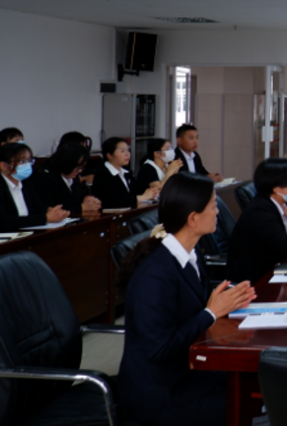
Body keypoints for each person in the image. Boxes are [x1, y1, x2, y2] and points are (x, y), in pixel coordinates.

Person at [116, 173, 256, 426]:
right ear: (193, 218)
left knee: (257, 382)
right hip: (160, 395)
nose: (217, 211)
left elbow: (191, 313)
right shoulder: (155, 273)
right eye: (212, 206)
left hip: (189, 373)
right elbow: (159, 348)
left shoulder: (189, 254)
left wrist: (222, 304)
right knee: (250, 405)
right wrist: (210, 313)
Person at [226, 158, 287, 283]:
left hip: (275, 270)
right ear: (276, 188)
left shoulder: (281, 203)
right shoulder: (260, 211)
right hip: (255, 281)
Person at [0, 143, 71, 232]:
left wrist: (52, 212)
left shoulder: (26, 184)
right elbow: (3, 222)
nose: (27, 165)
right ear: (4, 166)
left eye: (29, 160)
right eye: (22, 161)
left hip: (25, 236)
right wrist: (45, 218)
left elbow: (38, 208)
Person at [26, 144, 102, 215]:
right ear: (67, 162)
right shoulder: (45, 179)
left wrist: (91, 201)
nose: (80, 171)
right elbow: (51, 209)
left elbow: (79, 199)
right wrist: (81, 208)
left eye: (82, 168)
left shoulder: (73, 178)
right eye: (78, 167)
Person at [93, 137, 160, 209]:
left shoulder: (126, 171)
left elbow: (136, 190)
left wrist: (151, 192)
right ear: (110, 155)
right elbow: (113, 199)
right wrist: (142, 197)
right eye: (122, 151)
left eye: (128, 150)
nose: (127, 154)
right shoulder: (102, 173)